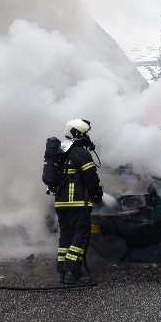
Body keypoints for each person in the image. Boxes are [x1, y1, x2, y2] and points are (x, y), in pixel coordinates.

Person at [55, 119, 103, 285]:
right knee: (81, 236)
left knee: (66, 236)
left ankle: (62, 272)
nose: (87, 137)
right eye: (85, 133)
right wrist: (96, 194)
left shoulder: (60, 152)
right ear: (78, 134)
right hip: (76, 202)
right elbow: (91, 177)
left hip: (61, 203)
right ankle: (72, 273)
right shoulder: (81, 153)